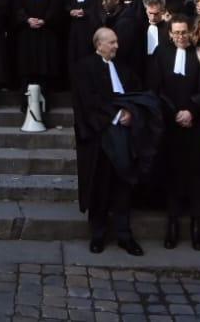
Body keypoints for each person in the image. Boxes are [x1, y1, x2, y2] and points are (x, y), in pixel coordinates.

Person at [72, 26, 144, 256]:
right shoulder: (84, 68)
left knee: (123, 186)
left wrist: (131, 114)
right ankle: (98, 234)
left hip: (124, 136)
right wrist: (115, 115)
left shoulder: (122, 68)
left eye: (116, 42)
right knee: (100, 186)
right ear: (99, 44)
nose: (116, 46)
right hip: (99, 137)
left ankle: (124, 235)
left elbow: (136, 93)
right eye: (111, 42)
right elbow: (88, 101)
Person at [149, 14, 200, 250]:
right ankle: (173, 224)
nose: (180, 37)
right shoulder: (161, 54)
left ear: (191, 32)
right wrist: (174, 112)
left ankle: (197, 225)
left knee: (197, 175)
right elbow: (156, 88)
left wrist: (191, 111)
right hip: (170, 126)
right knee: (172, 174)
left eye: (183, 32)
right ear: (169, 34)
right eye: (175, 33)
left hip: (196, 125)